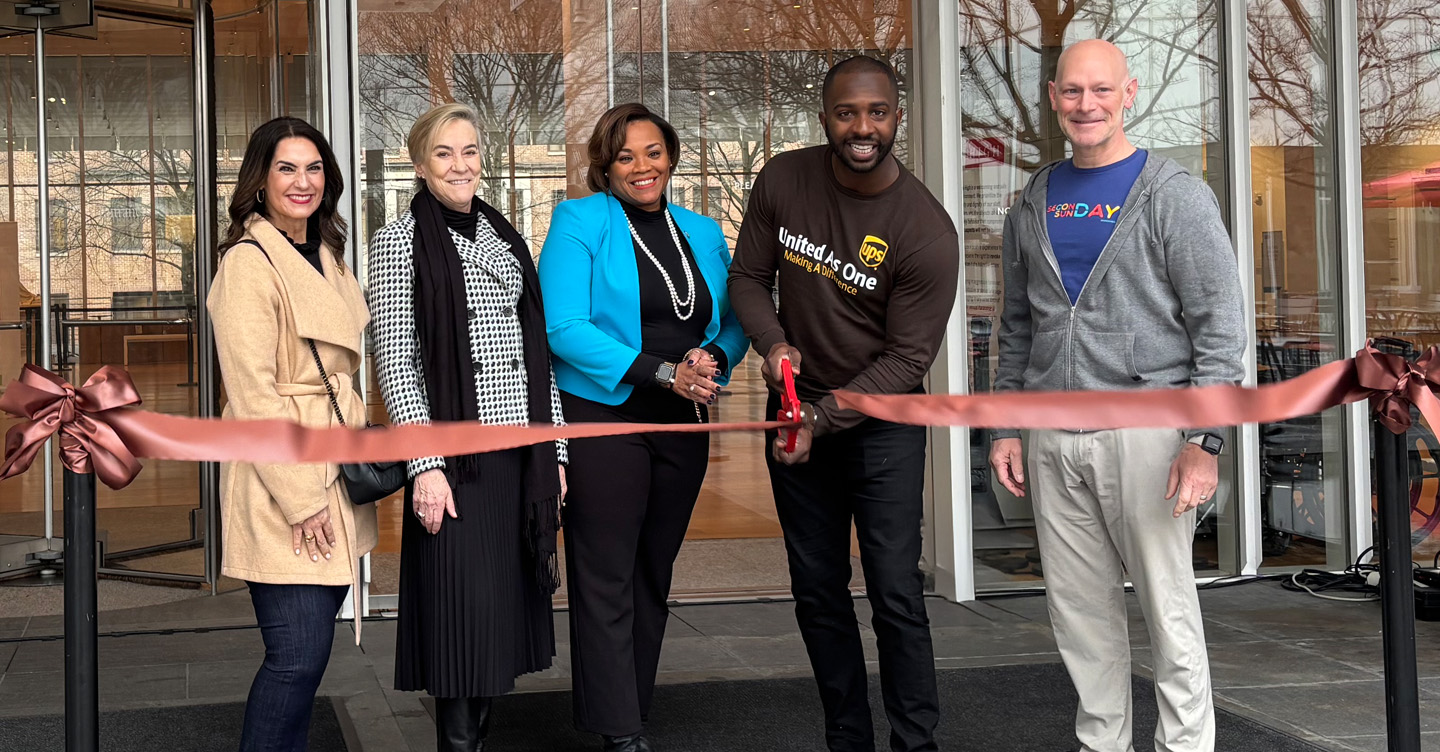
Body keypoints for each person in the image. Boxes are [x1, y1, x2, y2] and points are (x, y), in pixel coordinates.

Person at [988, 39, 1245, 752]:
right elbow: (1018, 326)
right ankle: (1102, 743)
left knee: (1167, 608)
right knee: (1078, 613)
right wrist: (1006, 426)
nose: (1086, 105)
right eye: (1072, 91)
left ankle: (1184, 747)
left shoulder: (1174, 194)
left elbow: (1221, 330)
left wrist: (1205, 443)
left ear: (1129, 94)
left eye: (1101, 90)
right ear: (1052, 96)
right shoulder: (1034, 197)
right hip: (1051, 436)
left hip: (1149, 436)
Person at [728, 57, 958, 752]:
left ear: (898, 116)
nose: (862, 127)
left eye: (877, 112)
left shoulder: (926, 231)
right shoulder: (783, 179)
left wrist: (823, 419)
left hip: (882, 424)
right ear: (825, 115)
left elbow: (908, 361)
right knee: (818, 592)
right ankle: (847, 740)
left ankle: (915, 742)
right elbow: (747, 278)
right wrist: (772, 346)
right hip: (798, 411)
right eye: (846, 112)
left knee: (894, 593)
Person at [538, 102, 749, 752]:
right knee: (605, 575)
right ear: (606, 164)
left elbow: (734, 321)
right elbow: (562, 327)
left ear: (671, 155)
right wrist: (662, 372)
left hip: (681, 426)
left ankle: (631, 708)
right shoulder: (579, 221)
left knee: (654, 572)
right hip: (605, 416)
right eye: (626, 155)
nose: (642, 166)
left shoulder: (703, 230)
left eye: (652, 152)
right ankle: (620, 730)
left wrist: (715, 357)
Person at [367, 102, 568, 752]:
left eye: (470, 151)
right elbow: (397, 363)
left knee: (496, 627)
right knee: (463, 624)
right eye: (446, 153)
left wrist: (557, 451)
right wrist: (424, 467)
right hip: (456, 463)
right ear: (420, 164)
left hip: (517, 457)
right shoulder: (399, 241)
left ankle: (471, 742)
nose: (461, 164)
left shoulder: (504, 236)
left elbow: (535, 352)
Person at [209, 116, 378, 751]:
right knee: (295, 657)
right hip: (284, 479)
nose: (302, 181)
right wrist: (303, 498)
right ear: (260, 179)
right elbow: (252, 396)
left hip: (330, 459)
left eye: (313, 168)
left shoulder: (325, 254)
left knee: (306, 661)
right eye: (286, 168)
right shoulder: (249, 266)